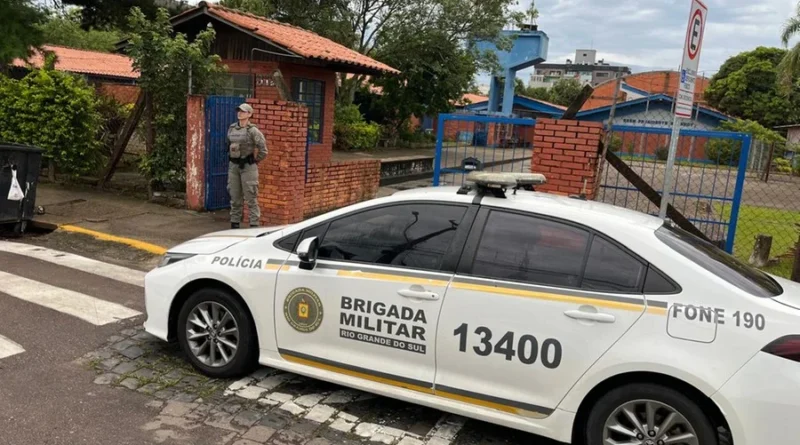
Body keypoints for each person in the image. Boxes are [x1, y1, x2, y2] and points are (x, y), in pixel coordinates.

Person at [226, 103, 268, 228]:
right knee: (235, 197)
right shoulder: (232, 128)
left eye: (243, 111)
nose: (240, 113)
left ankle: (254, 225)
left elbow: (263, 150)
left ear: (250, 114)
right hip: (234, 166)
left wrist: (253, 161)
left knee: (251, 198)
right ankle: (234, 225)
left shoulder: (253, 131)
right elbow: (228, 144)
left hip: (248, 167)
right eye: (238, 111)